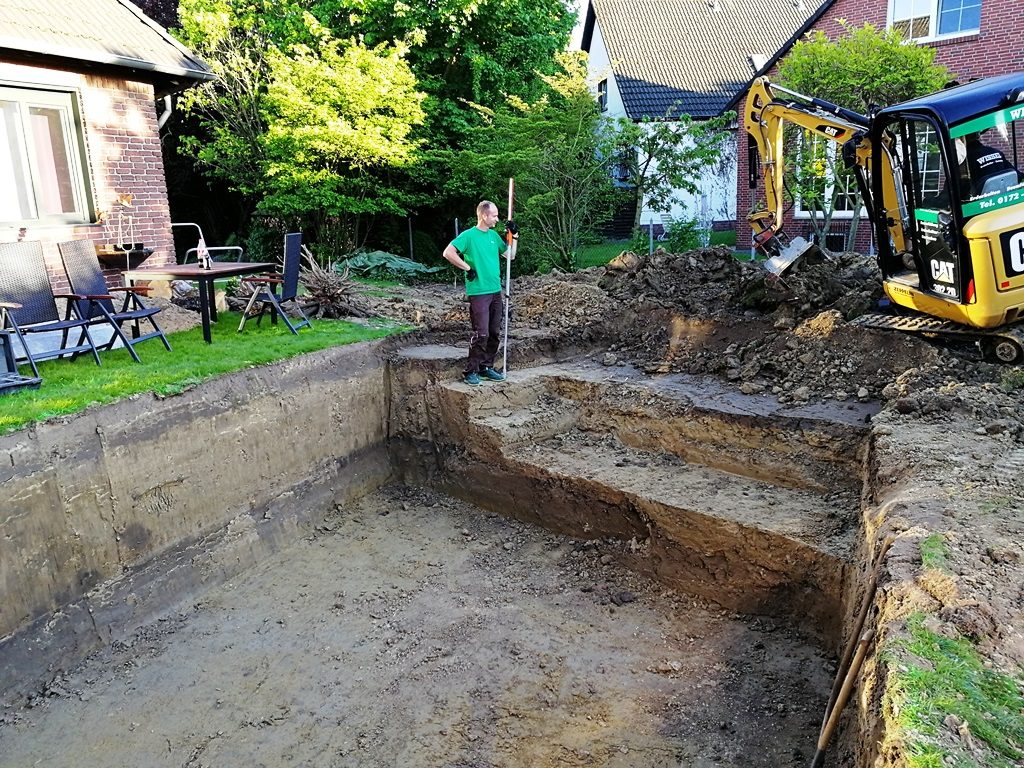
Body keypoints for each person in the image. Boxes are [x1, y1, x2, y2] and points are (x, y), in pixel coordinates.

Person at [442, 200, 518, 386]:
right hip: (479, 292)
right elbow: (448, 253)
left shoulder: (493, 236)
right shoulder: (468, 236)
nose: (497, 219)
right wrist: (467, 268)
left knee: (494, 332)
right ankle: (471, 371)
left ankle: (486, 366)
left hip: (495, 291)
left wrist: (514, 236)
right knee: (481, 333)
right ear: (484, 216)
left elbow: (510, 256)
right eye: (494, 215)